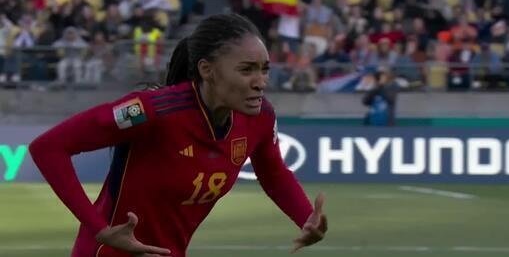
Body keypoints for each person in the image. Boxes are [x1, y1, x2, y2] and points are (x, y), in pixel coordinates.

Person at [29, 13, 327, 257]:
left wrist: (305, 217)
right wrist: (100, 229)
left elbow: (273, 172)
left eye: (264, 69)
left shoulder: (259, 117)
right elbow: (48, 147)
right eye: (247, 70)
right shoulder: (152, 110)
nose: (260, 82)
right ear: (207, 70)